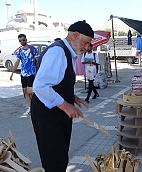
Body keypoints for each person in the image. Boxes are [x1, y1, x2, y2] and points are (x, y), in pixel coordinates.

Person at [31, 20, 93, 172]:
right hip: (48, 113)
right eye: (85, 43)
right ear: (75, 35)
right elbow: (41, 85)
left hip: (56, 110)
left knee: (59, 156)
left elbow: (57, 82)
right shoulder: (58, 52)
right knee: (54, 159)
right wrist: (66, 105)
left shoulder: (67, 52)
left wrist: (72, 97)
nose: (87, 48)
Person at [10, 34, 39, 116]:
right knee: (25, 92)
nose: (22, 41)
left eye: (23, 40)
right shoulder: (20, 51)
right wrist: (12, 73)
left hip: (31, 73)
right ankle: (31, 108)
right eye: (20, 40)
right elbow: (17, 62)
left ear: (26, 39)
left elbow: (38, 59)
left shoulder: (32, 49)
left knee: (31, 91)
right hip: (23, 74)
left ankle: (38, 105)